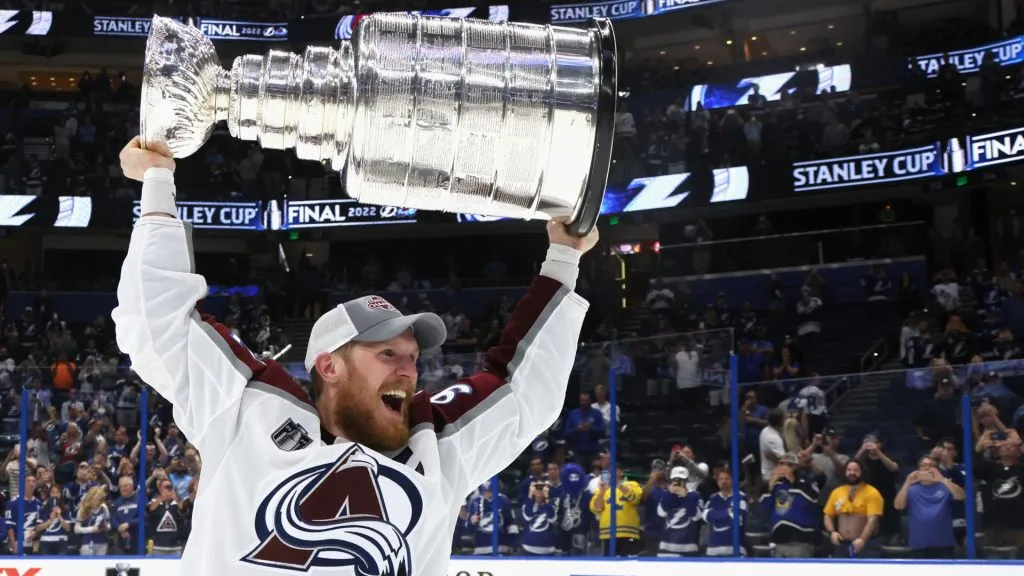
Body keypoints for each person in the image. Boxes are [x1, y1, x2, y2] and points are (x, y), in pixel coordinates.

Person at [112, 137, 599, 576]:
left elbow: (524, 389)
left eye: (413, 355)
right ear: (329, 366)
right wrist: (157, 182)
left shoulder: (439, 443)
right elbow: (159, 325)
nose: (409, 369)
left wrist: (564, 257)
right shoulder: (248, 408)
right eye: (387, 352)